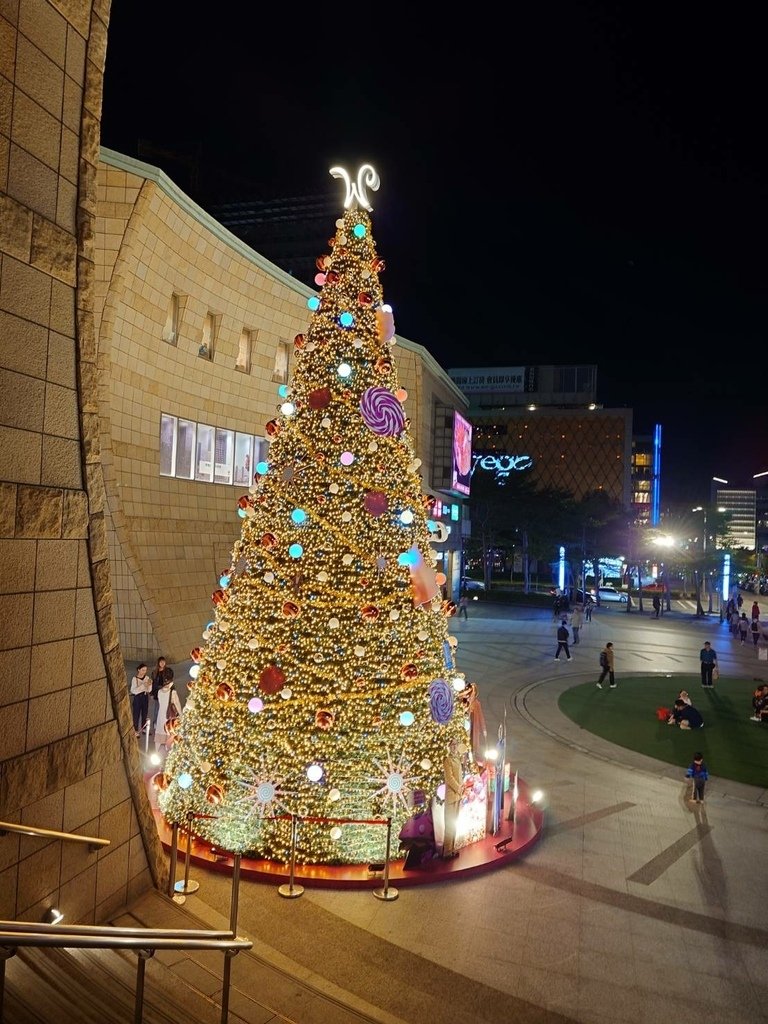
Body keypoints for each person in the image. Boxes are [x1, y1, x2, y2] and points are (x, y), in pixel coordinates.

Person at [441, 737, 463, 859]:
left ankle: (452, 848)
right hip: (451, 796)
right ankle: (447, 852)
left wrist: (462, 787)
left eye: (456, 744)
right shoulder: (447, 760)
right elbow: (449, 778)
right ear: (449, 746)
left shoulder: (457, 759)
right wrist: (458, 788)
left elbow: (459, 776)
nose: (454, 746)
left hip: (458, 796)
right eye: (452, 744)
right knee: (449, 825)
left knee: (454, 824)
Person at [156, 667, 182, 753]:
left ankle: (157, 753)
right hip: (169, 718)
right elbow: (177, 706)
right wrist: (181, 717)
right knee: (170, 735)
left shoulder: (159, 692)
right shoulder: (172, 692)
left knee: (159, 737)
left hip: (160, 716)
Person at [129, 663, 151, 736]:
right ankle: (135, 731)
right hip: (137, 698)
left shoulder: (147, 678)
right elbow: (133, 691)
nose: (144, 672)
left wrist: (150, 685)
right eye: (142, 670)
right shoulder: (134, 679)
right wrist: (143, 686)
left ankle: (144, 729)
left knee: (144, 713)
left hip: (145, 697)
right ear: (138, 669)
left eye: (145, 670)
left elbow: (149, 690)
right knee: (136, 714)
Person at [150, 656, 168, 735]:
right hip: (158, 693)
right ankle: (155, 723)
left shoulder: (167, 671)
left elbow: (170, 682)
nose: (162, 663)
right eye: (161, 662)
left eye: (163, 662)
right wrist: (151, 694)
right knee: (157, 709)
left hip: (165, 693)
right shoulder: (154, 672)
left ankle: (163, 723)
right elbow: (153, 684)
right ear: (158, 663)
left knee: (164, 709)